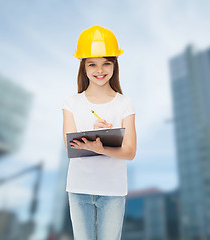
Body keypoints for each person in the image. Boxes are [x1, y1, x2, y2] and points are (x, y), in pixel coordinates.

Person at [62, 25, 137, 240]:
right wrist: (99, 139)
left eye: (106, 63)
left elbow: (130, 152)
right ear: (83, 67)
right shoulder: (71, 103)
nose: (100, 70)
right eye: (92, 64)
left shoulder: (124, 103)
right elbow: (70, 146)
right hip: (79, 188)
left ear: (115, 65)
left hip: (113, 190)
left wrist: (101, 146)